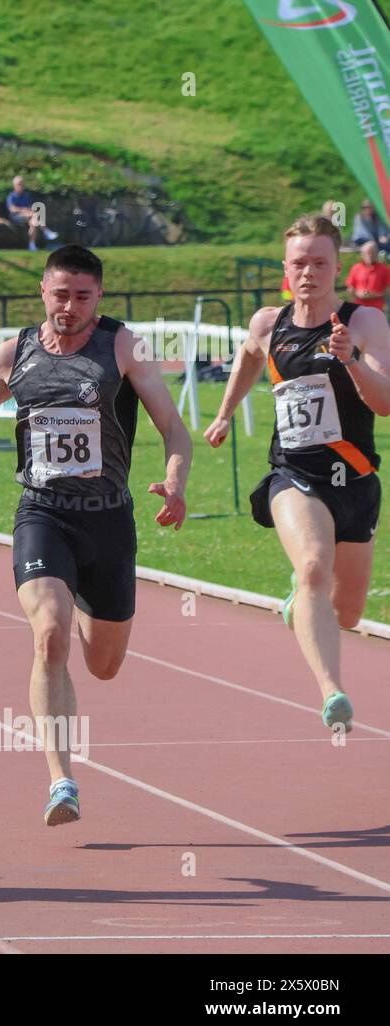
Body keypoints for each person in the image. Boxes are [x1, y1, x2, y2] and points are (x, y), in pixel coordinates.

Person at [0, 245, 191, 826]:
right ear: (43, 291)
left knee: (104, 665)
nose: (69, 307)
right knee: (48, 636)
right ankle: (61, 779)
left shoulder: (122, 346)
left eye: (82, 296)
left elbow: (171, 426)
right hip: (44, 515)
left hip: (109, 520)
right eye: (60, 294)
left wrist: (174, 481)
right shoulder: (17, 352)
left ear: (99, 297)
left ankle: (88, 600)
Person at [205, 214, 390, 733]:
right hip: (294, 474)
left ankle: (299, 605)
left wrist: (351, 361)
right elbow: (246, 358)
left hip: (354, 480)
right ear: (286, 269)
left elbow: (385, 404)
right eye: (299, 263)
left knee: (347, 613)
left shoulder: (365, 323)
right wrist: (223, 413)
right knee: (312, 565)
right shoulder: (269, 323)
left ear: (338, 268)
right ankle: (332, 691)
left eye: (319, 262)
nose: (309, 272)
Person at [5, 175, 59, 251]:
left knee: (33, 223)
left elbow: (29, 208)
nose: (21, 186)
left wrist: (29, 211)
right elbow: (12, 209)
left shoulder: (26, 195)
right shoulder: (11, 196)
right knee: (35, 215)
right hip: (16, 217)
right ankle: (46, 231)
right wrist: (23, 210)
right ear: (15, 185)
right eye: (19, 184)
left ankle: (32, 245)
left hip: (27, 215)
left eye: (22, 184)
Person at [346, 239, 390, 313]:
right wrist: (358, 293)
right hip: (358, 307)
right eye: (368, 253)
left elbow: (388, 291)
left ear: (377, 254)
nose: (370, 255)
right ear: (362, 254)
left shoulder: (384, 269)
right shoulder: (356, 268)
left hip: (377, 309)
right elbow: (350, 289)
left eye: (373, 253)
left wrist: (375, 295)